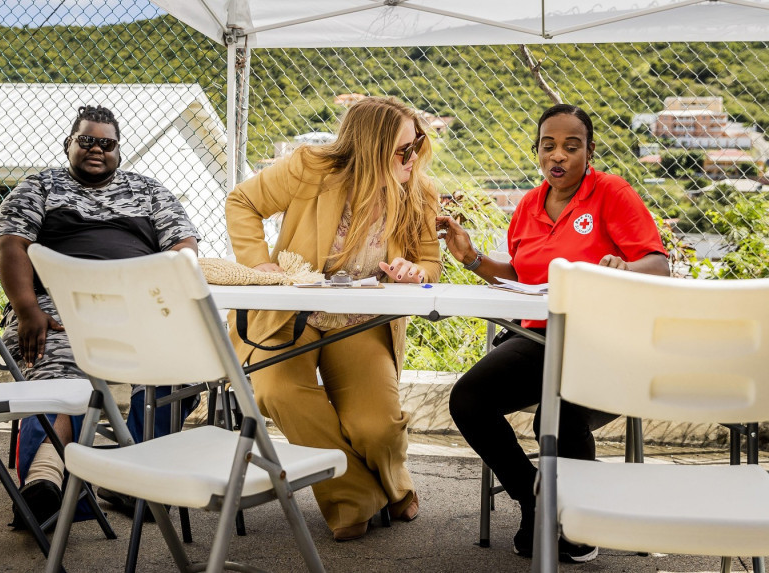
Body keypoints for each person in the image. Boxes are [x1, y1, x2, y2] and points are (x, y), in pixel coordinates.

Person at [437, 103, 669, 563]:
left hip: (605, 343)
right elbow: (522, 277)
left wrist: (624, 267)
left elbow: (658, 264)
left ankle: (580, 525)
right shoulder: (527, 204)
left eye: (571, 146)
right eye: (548, 146)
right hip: (540, 341)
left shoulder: (612, 193)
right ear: (537, 152)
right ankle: (537, 501)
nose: (558, 156)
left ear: (589, 151)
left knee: (556, 415)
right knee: (468, 400)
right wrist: (472, 259)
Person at [226, 96, 442, 541]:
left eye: (417, 143)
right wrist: (259, 263)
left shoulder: (419, 191)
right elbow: (242, 201)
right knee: (275, 389)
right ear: (370, 148)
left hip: (361, 320)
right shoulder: (310, 167)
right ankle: (353, 497)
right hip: (294, 312)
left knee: (375, 426)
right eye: (404, 149)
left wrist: (415, 272)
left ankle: (393, 479)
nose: (414, 155)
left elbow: (429, 262)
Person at [0, 105, 200, 527]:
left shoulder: (149, 191)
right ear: (69, 143)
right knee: (62, 373)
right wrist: (28, 309)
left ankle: (134, 481)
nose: (96, 149)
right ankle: (45, 485)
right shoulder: (40, 187)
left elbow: (183, 250)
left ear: (119, 151)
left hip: (136, 311)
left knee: (182, 367)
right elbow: (10, 244)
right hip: (56, 312)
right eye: (86, 140)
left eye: (107, 143)